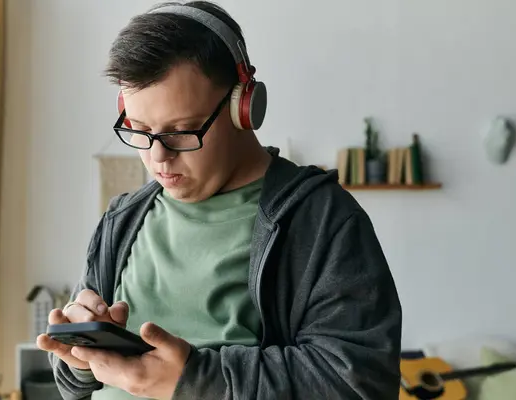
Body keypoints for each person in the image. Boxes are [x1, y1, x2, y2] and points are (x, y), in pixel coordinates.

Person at [36, 2, 403, 399]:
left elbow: (359, 381)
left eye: (182, 131)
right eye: (140, 130)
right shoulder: (122, 220)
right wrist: (79, 357)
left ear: (243, 107)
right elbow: (74, 386)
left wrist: (195, 380)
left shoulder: (322, 219)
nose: (158, 156)